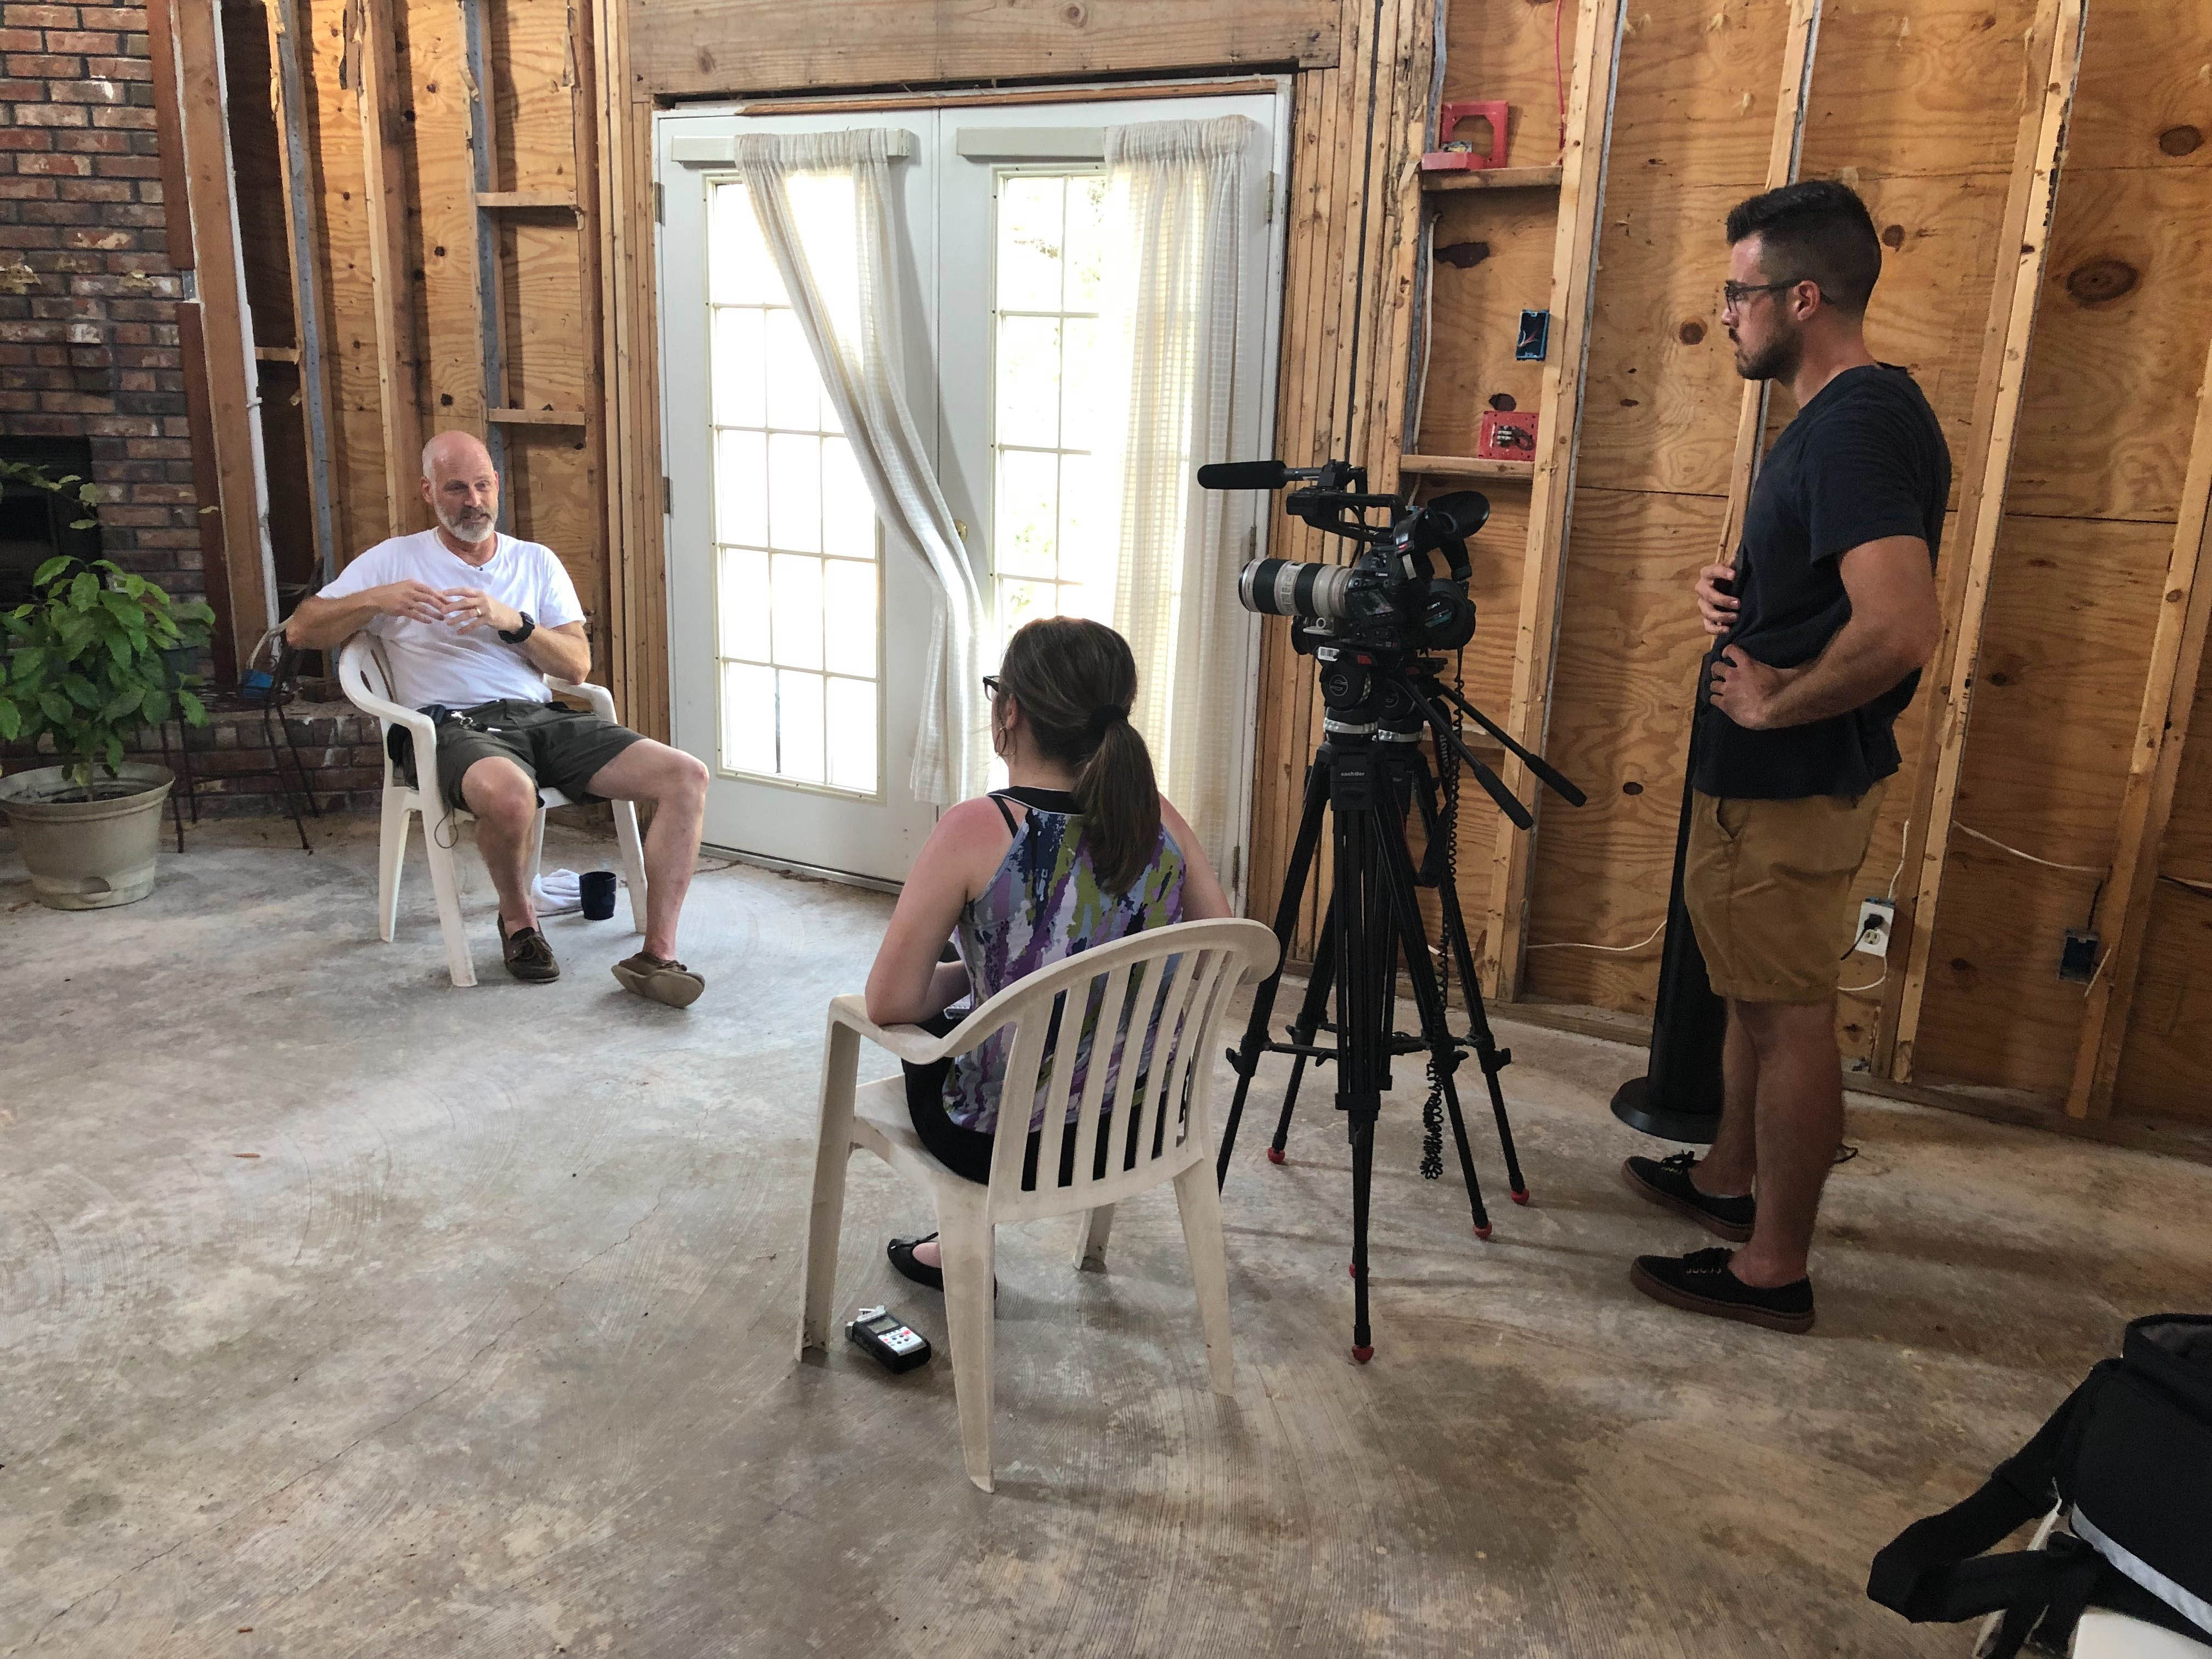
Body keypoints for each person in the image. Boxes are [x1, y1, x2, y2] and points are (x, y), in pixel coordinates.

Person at [1623, 180, 1948, 1333]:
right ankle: (1726, 1180)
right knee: (1752, 996)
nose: (1728, 313)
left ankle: (1774, 1269)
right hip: (1766, 782)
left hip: (1792, 782)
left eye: (1741, 292)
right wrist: (1744, 592)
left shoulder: (1857, 424)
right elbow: (1831, 585)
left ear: (1803, 297)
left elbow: (1903, 622)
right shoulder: (1832, 420)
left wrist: (1778, 704)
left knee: (1787, 1015)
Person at [862, 616, 1230, 1290]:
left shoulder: (979, 827)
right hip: (1136, 1126)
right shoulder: (1158, 815)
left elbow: (888, 1004)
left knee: (954, 1031)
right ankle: (956, 1242)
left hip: (1000, 1146)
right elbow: (1219, 942)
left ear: (1010, 711)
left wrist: (970, 977)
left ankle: (958, 1245)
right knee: (1026, 1016)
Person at [286, 431, 713, 1004]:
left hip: (540, 718)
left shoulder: (534, 561)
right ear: (428, 491)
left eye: (484, 485)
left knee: (686, 776)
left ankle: (658, 956)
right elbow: (301, 630)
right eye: (457, 488)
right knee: (512, 796)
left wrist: (514, 622)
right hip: (450, 726)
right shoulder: (396, 559)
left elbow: (578, 666)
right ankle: (519, 924)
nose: (474, 501)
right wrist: (374, 601)